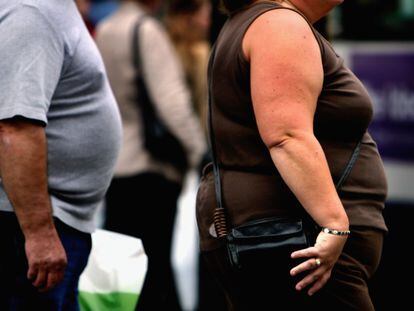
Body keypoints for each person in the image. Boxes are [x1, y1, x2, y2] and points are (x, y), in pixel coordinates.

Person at [196, 0, 388, 310]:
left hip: (287, 234)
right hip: (300, 238)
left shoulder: (264, 22)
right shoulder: (280, 25)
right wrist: (335, 222)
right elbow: (286, 136)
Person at [0, 0, 122, 310]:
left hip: (48, 224)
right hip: (28, 230)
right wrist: (39, 234)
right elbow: (15, 128)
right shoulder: (34, 11)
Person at [95, 0, 206, 310]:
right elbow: (172, 102)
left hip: (117, 164)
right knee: (154, 270)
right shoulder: (146, 30)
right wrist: (198, 152)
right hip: (151, 167)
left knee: (121, 272)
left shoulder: (105, 29)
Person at [165, 0, 212, 134]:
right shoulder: (200, 53)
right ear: (189, 19)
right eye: (205, 17)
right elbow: (203, 107)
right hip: (194, 137)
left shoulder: (162, 47)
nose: (208, 24)